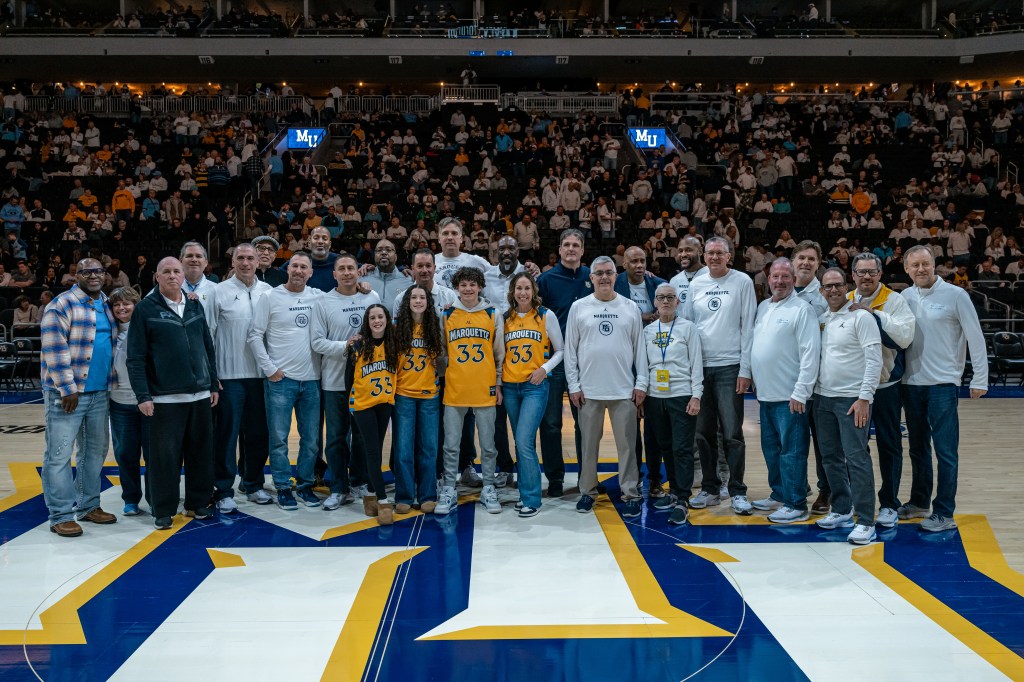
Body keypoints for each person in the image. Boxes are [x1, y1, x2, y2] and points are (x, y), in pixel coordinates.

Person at [899, 245, 988, 532]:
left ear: (934, 264)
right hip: (911, 384)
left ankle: (945, 512)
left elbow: (975, 336)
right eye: (915, 265)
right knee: (917, 448)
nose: (921, 269)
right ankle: (919, 502)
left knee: (946, 451)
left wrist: (980, 378)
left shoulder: (956, 295)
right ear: (906, 269)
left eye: (925, 264)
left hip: (943, 385)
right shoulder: (904, 296)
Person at [127, 257, 219, 531]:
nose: (172, 276)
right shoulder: (145, 309)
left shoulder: (194, 304)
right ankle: (163, 509)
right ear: (157, 276)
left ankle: (198, 502)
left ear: (183, 276)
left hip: (200, 395)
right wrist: (143, 395)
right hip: (164, 398)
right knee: (164, 458)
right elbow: (135, 357)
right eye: (166, 271)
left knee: (201, 454)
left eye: (176, 271)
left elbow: (207, 347)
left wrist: (212, 384)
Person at [40, 258, 118, 537]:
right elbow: (53, 346)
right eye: (86, 271)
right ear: (76, 275)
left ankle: (88, 506)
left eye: (98, 271)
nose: (93, 275)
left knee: (94, 452)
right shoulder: (61, 304)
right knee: (59, 454)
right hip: (68, 394)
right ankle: (60, 514)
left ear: (105, 275)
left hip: (100, 391)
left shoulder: (107, 303)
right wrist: (67, 387)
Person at [566, 256, 646, 517]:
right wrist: (574, 385)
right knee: (588, 447)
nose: (603, 277)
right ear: (591, 278)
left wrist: (641, 383)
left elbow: (640, 350)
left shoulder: (630, 307)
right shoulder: (578, 307)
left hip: (624, 389)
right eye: (598, 273)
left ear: (615, 275)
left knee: (627, 446)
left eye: (608, 272)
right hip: (589, 391)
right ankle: (587, 491)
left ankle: (630, 493)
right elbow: (570, 350)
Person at [682, 236, 757, 515]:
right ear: (704, 256)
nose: (714, 257)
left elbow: (748, 327)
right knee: (702, 433)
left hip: (730, 366)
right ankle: (711, 489)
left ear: (729, 256)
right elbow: (689, 327)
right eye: (710, 253)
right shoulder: (696, 284)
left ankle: (737, 491)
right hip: (701, 368)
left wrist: (745, 369)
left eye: (719, 253)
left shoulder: (742, 282)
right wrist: (690, 369)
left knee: (732, 433)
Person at [247, 251, 323, 510]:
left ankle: (305, 484)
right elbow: (254, 335)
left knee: (311, 440)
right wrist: (269, 369)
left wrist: (362, 284)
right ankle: (282, 487)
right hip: (280, 381)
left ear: (310, 272)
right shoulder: (270, 297)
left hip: (312, 380)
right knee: (279, 439)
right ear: (287, 269)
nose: (298, 270)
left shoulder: (318, 297)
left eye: (304, 267)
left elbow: (344, 296)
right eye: (294, 266)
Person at [812, 267, 882, 545]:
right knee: (830, 458)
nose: (833, 290)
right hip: (823, 399)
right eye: (828, 286)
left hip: (852, 400)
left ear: (846, 286)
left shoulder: (861, 317)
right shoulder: (821, 319)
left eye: (838, 285)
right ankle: (842, 509)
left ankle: (865, 521)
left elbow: (874, 360)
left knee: (857, 459)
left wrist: (865, 398)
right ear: (821, 291)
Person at [847, 253, 916, 528]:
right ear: (853, 275)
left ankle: (889, 503)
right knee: (855, 448)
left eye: (871, 272)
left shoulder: (894, 300)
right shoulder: (846, 299)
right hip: (854, 389)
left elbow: (904, 337)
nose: (866, 276)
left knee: (889, 445)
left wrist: (873, 315)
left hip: (886, 387)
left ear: (880, 274)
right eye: (861, 272)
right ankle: (859, 498)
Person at [750, 259, 820, 524]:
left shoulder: (802, 309)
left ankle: (796, 503)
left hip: (791, 397)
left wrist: (801, 391)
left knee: (792, 451)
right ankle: (780, 493)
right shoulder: (763, 307)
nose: (779, 281)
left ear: (794, 279)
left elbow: (811, 353)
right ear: (768, 279)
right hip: (766, 395)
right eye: (775, 277)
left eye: (785, 277)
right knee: (772, 449)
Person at [206, 243, 274, 511]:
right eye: (241, 258)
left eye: (250, 258)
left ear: (258, 261)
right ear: (232, 262)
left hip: (261, 376)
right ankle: (223, 489)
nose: (246, 263)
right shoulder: (218, 291)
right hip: (228, 376)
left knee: (258, 434)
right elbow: (208, 335)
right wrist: (212, 375)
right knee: (227, 436)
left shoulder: (268, 291)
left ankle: (253, 483)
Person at [310, 253, 380, 511]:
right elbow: (317, 342)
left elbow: (380, 332)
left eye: (351, 267)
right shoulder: (322, 302)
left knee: (362, 436)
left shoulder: (371, 297)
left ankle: (359, 481)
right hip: (334, 381)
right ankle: (338, 487)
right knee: (336, 437)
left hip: (365, 381)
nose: (347, 272)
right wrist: (346, 346)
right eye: (342, 269)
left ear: (358, 272)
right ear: (334, 274)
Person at [436, 267, 505, 515]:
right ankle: (449, 488)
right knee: (451, 444)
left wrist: (498, 383)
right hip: (455, 387)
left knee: (488, 445)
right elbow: (442, 352)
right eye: (463, 285)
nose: (468, 289)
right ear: (456, 287)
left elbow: (499, 353)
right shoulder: (447, 314)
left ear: (479, 287)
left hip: (484, 387)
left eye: (472, 284)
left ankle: (489, 487)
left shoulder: (492, 313)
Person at [638, 283, 702, 526]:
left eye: (670, 297)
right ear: (654, 302)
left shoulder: (688, 328)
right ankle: (674, 490)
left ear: (677, 301)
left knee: (682, 448)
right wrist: (643, 393)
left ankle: (683, 499)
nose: (665, 301)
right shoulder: (648, 331)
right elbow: (643, 366)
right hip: (655, 397)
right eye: (661, 297)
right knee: (666, 446)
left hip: (682, 395)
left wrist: (696, 395)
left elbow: (696, 363)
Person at [502, 272, 564, 518]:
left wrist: (544, 369)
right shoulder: (505, 318)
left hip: (534, 386)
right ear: (512, 291)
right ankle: (525, 493)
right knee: (520, 442)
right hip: (510, 386)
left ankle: (532, 499)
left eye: (527, 288)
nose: (523, 293)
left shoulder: (546, 315)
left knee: (524, 440)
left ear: (533, 291)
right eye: (519, 288)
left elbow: (560, 350)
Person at [536, 228, 591, 497]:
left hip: (585, 361)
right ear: (559, 250)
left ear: (582, 250)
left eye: (575, 245)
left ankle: (586, 479)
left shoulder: (592, 276)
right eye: (566, 245)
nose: (571, 249)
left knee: (586, 424)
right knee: (550, 424)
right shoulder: (545, 280)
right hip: (555, 360)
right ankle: (555, 479)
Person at [393, 285, 444, 514]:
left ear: (428, 302)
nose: (418, 301)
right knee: (404, 449)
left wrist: (439, 365)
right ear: (407, 301)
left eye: (422, 297)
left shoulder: (435, 327)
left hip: (429, 395)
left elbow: (443, 362)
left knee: (429, 448)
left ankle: (427, 495)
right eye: (413, 297)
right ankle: (404, 495)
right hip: (403, 395)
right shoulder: (397, 329)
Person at [346, 304, 399, 525]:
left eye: (380, 317)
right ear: (367, 323)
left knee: (377, 446)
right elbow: (348, 378)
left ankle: (369, 493)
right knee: (372, 451)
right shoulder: (358, 345)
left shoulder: (394, 344)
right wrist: (351, 404)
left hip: (384, 403)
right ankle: (383, 499)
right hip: (363, 405)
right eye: (372, 318)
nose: (377, 321)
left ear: (387, 319)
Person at [791, 239, 830, 514]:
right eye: (801, 258)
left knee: (823, 442)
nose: (805, 263)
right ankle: (798, 485)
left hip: (819, 381)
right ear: (793, 262)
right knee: (794, 440)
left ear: (818, 264)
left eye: (811, 259)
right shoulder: (783, 291)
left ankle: (826, 490)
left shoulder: (825, 296)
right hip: (789, 380)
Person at [108, 286, 150, 516]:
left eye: (126, 303)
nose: (121, 308)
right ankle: (131, 499)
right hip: (119, 403)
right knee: (125, 453)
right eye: (116, 304)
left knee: (153, 454)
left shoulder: (147, 328)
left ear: (136, 305)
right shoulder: (107, 332)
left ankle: (155, 498)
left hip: (149, 401)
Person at [668, 236, 707, 314]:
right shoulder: (674, 281)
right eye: (680, 251)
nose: (683, 255)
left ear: (700, 251)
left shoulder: (711, 275)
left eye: (688, 250)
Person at [361, 239, 407, 303]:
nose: (383, 253)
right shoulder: (361, 279)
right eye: (379, 250)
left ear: (396, 257)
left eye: (388, 250)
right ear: (374, 256)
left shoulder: (409, 280)